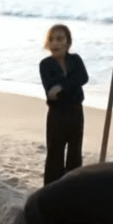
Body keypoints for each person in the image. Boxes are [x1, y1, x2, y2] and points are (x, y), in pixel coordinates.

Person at [39, 24, 88, 184]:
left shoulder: (75, 60)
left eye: (59, 39)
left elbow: (83, 78)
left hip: (76, 112)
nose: (55, 43)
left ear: (68, 42)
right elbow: (51, 93)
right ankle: (50, 190)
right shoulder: (45, 64)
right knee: (54, 154)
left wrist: (61, 87)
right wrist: (69, 85)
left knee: (75, 153)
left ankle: (72, 188)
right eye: (51, 39)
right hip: (57, 115)